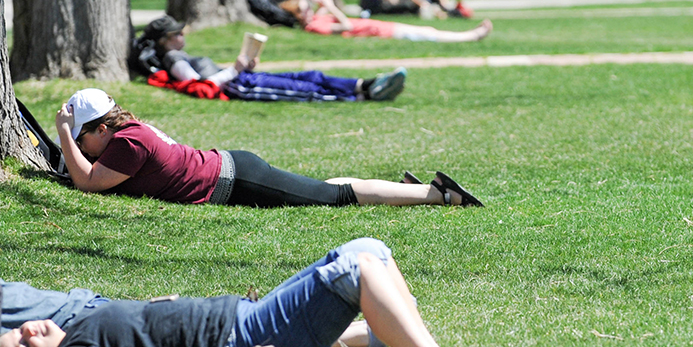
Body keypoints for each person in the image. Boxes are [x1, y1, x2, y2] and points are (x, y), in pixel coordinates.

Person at [0, 237, 495, 347]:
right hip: (249, 339)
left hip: (245, 315)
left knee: (369, 247)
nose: (25, 333)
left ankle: (411, 344)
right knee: (354, 269)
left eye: (17, 331)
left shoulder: (85, 321)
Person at [0, 214, 383, 347]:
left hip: (82, 307)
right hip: (76, 323)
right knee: (194, 319)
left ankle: (348, 332)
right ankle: (344, 325)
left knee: (186, 312)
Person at [55, 88, 485, 208]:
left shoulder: (129, 142)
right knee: (317, 187)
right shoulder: (131, 131)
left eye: (83, 139)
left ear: (99, 127)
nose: (84, 148)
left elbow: (89, 183)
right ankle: (401, 189)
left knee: (335, 196)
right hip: (235, 169)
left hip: (237, 180)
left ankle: (437, 194)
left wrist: (61, 133)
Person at [141, 15, 407, 102]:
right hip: (239, 86)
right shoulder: (174, 60)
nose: (182, 35)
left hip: (241, 77)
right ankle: (365, 96)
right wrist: (234, 70)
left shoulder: (179, 53)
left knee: (311, 76)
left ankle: (366, 84)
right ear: (165, 40)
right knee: (303, 89)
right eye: (177, 33)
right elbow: (200, 85)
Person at [281, 0, 492, 43]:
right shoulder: (313, 27)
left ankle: (470, 35)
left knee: (427, 31)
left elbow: (322, 14)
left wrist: (321, 2)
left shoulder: (315, 19)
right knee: (428, 33)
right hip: (382, 32)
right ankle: (471, 36)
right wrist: (328, 3)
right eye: (303, 9)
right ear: (297, 15)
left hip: (381, 26)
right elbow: (345, 25)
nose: (309, 10)